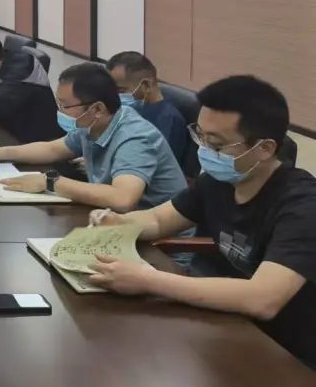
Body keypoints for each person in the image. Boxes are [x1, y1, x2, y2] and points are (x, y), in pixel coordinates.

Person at [86, 76, 316, 368]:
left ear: (265, 148)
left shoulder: (303, 206)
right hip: (228, 325)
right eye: (201, 136)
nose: (204, 151)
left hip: (289, 353)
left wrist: (147, 280)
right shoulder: (218, 181)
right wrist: (119, 221)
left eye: (217, 144)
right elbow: (159, 219)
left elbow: (263, 299)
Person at [0, 62, 187, 210]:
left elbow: (122, 198)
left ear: (97, 108)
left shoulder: (135, 137)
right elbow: (51, 149)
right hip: (115, 224)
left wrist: (49, 182)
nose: (59, 111)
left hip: (160, 248)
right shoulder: (93, 123)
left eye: (65, 105)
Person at [106, 51, 190, 165]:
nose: (115, 96)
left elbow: (156, 164)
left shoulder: (169, 120)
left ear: (146, 85)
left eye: (121, 91)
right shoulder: (129, 109)